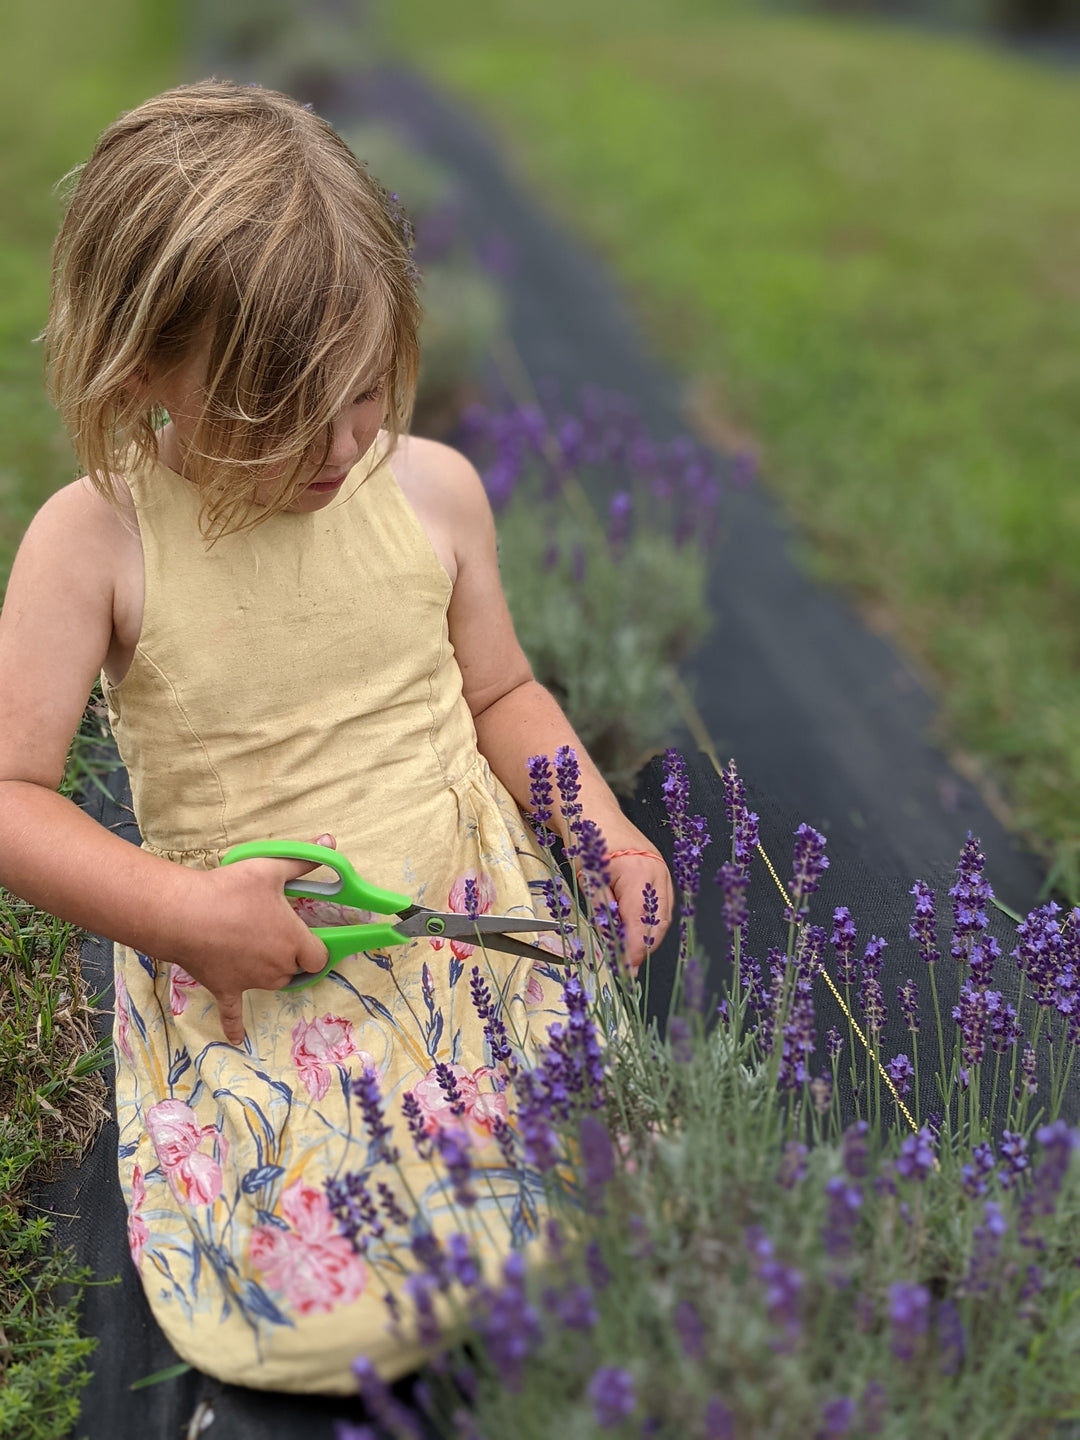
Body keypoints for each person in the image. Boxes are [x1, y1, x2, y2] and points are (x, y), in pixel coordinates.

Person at [0, 81, 673, 1393]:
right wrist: (180, 913)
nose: (340, 443)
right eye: (274, 414)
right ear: (140, 369)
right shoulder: (96, 543)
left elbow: (499, 697)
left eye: (365, 391)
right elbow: (11, 796)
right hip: (257, 969)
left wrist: (598, 823)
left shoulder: (429, 493)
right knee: (306, 1321)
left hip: (458, 920)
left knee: (611, 1201)